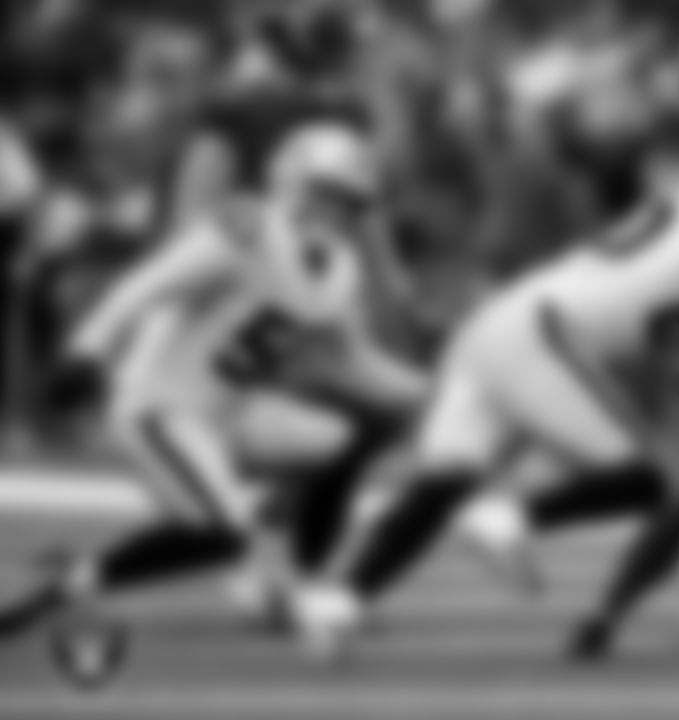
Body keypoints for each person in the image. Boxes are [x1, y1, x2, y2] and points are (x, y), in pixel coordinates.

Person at [285, 107, 679, 662]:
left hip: (494, 326)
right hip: (543, 339)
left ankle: (341, 598)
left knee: (443, 484)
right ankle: (514, 513)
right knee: (658, 477)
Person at [0, 122, 423, 682]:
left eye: (349, 202)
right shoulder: (248, 226)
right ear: (291, 179)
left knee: (345, 438)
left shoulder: (340, 269)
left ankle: (293, 580)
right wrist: (88, 350)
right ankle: (70, 581)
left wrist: (429, 397)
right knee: (221, 536)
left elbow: (352, 361)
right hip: (160, 406)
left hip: (233, 414)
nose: (335, 211)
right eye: (326, 193)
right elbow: (143, 288)